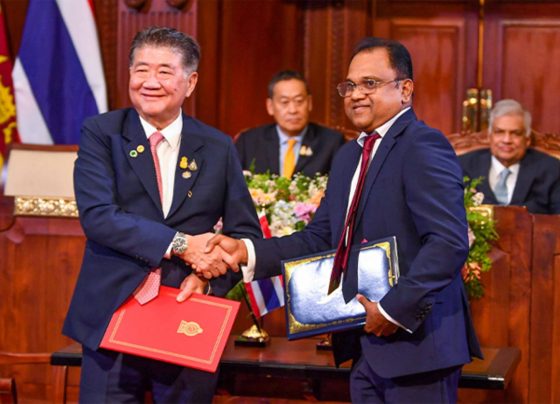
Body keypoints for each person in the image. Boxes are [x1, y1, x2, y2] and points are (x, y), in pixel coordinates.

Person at [202, 37, 482, 403]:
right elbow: (319, 237)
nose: (356, 94)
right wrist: (246, 251)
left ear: (405, 90)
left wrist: (391, 310)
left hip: (418, 347)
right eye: (350, 85)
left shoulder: (423, 144)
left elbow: (448, 243)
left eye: (370, 83)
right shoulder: (350, 155)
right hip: (363, 347)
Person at [62, 27, 261, 403]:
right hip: (112, 317)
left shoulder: (218, 146)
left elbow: (245, 234)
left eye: (164, 71)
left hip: (186, 319)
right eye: (141, 70)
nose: (150, 82)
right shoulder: (102, 133)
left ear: (190, 82)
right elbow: (98, 216)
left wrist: (207, 281)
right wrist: (182, 244)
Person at [235, 70, 344, 177]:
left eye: (299, 101)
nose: (293, 110)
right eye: (284, 102)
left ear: (309, 103)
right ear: (270, 106)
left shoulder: (332, 142)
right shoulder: (248, 142)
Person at [459, 99, 560, 214]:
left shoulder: (551, 169)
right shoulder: (463, 166)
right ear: (489, 137)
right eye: (499, 132)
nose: (507, 140)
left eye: (515, 133)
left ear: (527, 140)